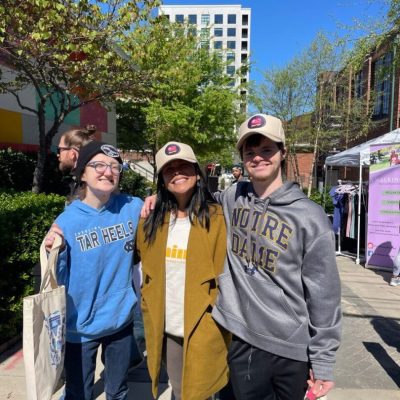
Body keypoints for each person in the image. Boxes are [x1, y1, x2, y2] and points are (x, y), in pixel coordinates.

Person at [211, 114, 342, 400]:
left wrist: (323, 361)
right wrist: (158, 198)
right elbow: (192, 201)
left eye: (267, 150)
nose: (258, 158)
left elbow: (325, 293)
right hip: (243, 340)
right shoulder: (233, 197)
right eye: (250, 152)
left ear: (283, 152)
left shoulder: (310, 216)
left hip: (292, 348)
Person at [44, 141, 143, 399]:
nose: (107, 172)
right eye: (98, 165)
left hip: (120, 320)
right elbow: (57, 276)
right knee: (79, 393)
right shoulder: (68, 221)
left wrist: (157, 198)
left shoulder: (132, 207)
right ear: (83, 174)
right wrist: (52, 250)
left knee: (118, 391)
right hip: (80, 327)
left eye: (114, 166)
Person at [136, 141, 230, 400]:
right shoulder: (150, 220)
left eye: (184, 167)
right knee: (179, 391)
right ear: (162, 180)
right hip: (168, 329)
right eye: (169, 169)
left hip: (204, 325)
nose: (177, 173)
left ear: (197, 172)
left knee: (201, 392)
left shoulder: (218, 216)